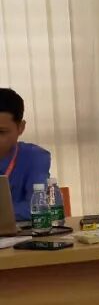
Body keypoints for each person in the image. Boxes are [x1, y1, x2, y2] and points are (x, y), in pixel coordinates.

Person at [0, 88, 51, 220]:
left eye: (1, 132)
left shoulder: (35, 157)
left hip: (19, 232)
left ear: (20, 128)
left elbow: (36, 207)